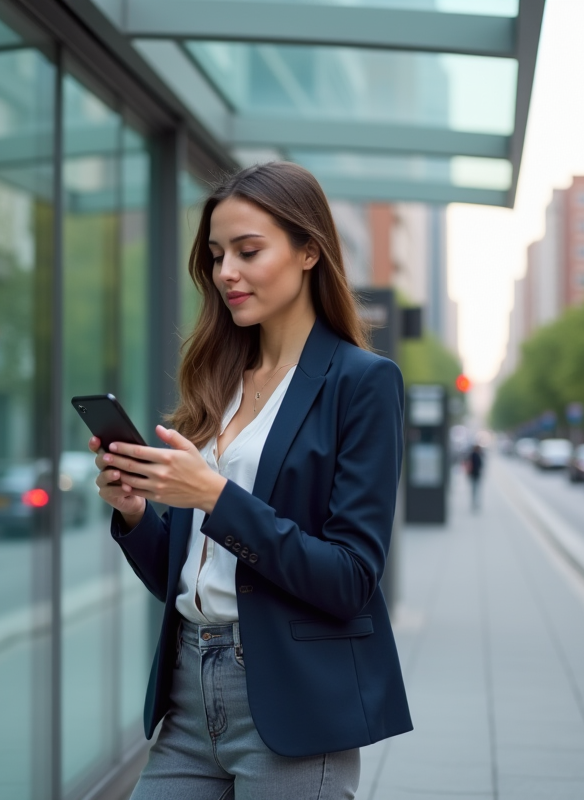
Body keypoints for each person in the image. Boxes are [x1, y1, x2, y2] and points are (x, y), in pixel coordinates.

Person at [89, 162, 410, 799]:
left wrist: (213, 496)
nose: (225, 272)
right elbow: (181, 577)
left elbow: (349, 579)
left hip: (290, 700)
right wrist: (133, 513)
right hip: (187, 693)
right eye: (215, 255)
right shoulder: (217, 381)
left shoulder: (362, 383)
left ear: (310, 250)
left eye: (248, 250)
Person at [466, 443, 484, 511]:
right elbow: (480, 465)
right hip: (476, 474)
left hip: (472, 474)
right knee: (475, 489)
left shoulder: (472, 455)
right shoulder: (477, 455)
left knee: (474, 489)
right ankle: (474, 502)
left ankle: (474, 502)